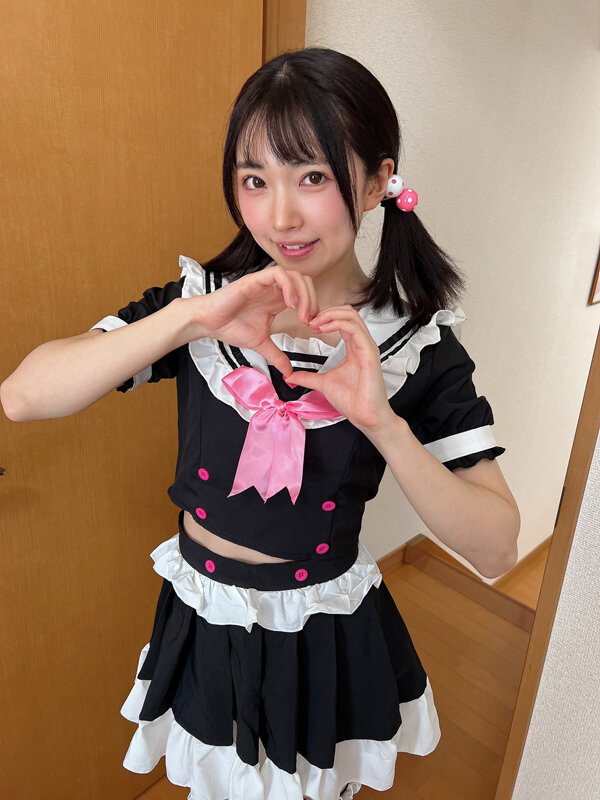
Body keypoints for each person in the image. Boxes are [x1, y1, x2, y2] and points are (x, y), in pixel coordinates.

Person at [0, 47, 520, 800]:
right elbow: (23, 396)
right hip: (203, 615)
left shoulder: (417, 346)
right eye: (255, 180)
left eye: (312, 176)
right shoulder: (204, 306)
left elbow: (497, 547)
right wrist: (191, 319)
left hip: (322, 635)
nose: (280, 216)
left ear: (377, 181)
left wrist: (383, 423)